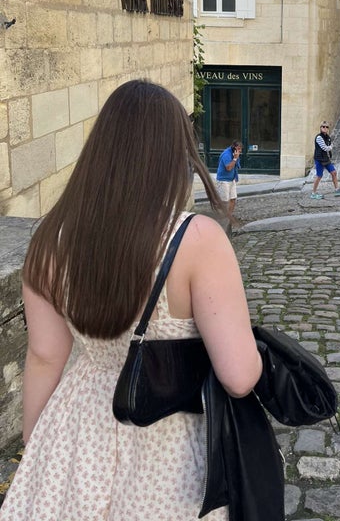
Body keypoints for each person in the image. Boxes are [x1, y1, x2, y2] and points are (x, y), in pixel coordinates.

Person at [0, 80, 262, 521]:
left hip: (78, 426)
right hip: (168, 444)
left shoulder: (50, 239)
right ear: (172, 155)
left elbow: (44, 357)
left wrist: (36, 445)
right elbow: (238, 377)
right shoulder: (197, 239)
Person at [311, 121, 340, 199]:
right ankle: (313, 193)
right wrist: (330, 147)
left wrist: (330, 149)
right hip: (319, 159)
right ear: (320, 128)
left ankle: (337, 190)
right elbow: (325, 148)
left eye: (327, 127)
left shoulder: (327, 137)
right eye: (323, 126)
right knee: (319, 176)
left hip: (326, 159)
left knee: (334, 173)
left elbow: (328, 147)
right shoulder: (319, 137)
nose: (325, 128)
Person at [216, 139, 242, 221]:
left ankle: (229, 217)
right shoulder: (226, 155)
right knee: (224, 201)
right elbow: (229, 168)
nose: (240, 151)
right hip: (223, 180)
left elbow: (236, 166)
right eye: (239, 149)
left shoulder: (235, 154)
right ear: (234, 148)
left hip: (231, 179)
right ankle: (221, 217)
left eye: (241, 149)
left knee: (233, 199)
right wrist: (235, 159)